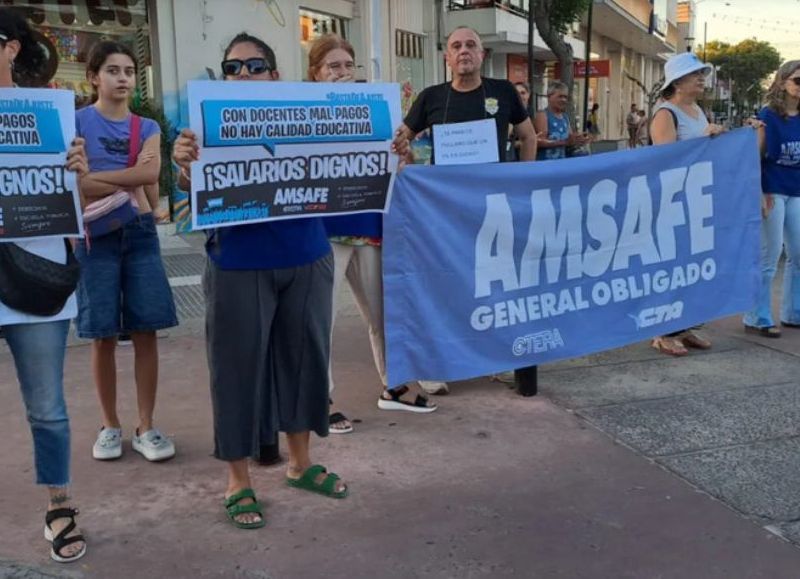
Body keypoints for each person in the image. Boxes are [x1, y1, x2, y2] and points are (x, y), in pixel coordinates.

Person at [173, 31, 401, 529]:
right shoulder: (203, 123)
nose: (244, 76)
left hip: (307, 255)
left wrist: (394, 144)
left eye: (255, 67)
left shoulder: (313, 115)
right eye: (232, 69)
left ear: (275, 76)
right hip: (237, 261)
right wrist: (183, 165)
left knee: (305, 363)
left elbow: (368, 155)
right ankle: (238, 480)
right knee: (235, 372)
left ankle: (299, 463)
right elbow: (189, 187)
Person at [394, 26, 538, 393]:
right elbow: (401, 140)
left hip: (497, 206)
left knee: (503, 283)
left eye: (471, 45)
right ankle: (441, 360)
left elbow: (527, 136)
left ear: (482, 54)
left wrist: (525, 181)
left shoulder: (503, 92)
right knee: (447, 282)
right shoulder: (431, 98)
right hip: (447, 212)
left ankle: (513, 360)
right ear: (446, 57)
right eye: (456, 46)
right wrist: (405, 156)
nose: (463, 51)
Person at [308, 34, 437, 435]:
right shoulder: (305, 113)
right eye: (333, 66)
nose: (343, 73)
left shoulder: (379, 113)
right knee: (319, 319)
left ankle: (393, 384)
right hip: (324, 230)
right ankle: (319, 398)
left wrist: (403, 150)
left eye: (348, 65)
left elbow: (402, 165)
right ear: (316, 75)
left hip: (369, 226)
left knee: (384, 312)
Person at [0, 7, 88, 563]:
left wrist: (76, 173)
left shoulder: (47, 113)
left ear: (10, 48)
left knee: (48, 408)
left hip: (35, 277)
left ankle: (59, 503)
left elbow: (73, 203)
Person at [75, 40, 178, 462]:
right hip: (93, 236)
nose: (122, 78)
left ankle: (146, 425)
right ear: (94, 77)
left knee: (146, 330)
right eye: (113, 70)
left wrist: (99, 177)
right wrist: (130, 178)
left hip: (138, 233)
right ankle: (110, 425)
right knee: (100, 334)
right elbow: (76, 188)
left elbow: (152, 173)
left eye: (129, 71)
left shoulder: (147, 127)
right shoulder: (76, 122)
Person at [649, 52, 725, 356]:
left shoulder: (695, 109)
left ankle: (686, 323)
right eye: (696, 75)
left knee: (694, 264)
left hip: (698, 198)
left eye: (702, 74)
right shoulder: (665, 113)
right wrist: (703, 140)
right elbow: (665, 159)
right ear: (678, 82)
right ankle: (662, 331)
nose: (701, 79)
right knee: (672, 265)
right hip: (673, 200)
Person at [743, 60, 800, 337]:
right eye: (798, 81)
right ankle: (757, 315)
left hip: (797, 190)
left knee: (798, 253)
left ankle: (793, 311)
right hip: (772, 189)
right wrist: (759, 193)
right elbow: (754, 157)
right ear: (782, 82)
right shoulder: (768, 116)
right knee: (770, 254)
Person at [534, 81, 589, 161]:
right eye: (560, 96)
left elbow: (570, 139)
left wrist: (579, 140)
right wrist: (564, 142)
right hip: (546, 164)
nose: (563, 100)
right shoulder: (542, 115)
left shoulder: (565, 117)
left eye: (565, 97)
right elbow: (539, 142)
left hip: (562, 165)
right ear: (549, 97)